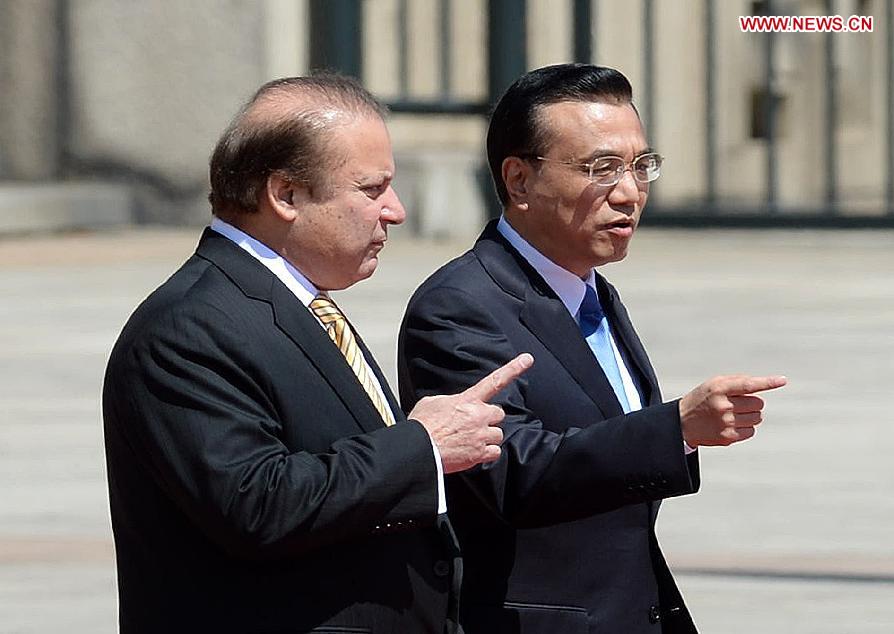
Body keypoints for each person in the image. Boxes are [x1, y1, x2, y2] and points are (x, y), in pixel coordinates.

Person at [102, 74, 532, 634]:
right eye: (371, 189)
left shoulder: (299, 303)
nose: (396, 211)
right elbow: (257, 505)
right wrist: (421, 446)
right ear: (285, 195)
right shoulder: (186, 328)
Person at [398, 64, 787, 634]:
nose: (629, 192)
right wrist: (674, 428)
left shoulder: (590, 289)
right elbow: (512, 471)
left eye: (639, 166)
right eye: (601, 169)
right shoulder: (459, 307)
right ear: (519, 180)